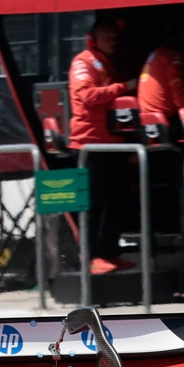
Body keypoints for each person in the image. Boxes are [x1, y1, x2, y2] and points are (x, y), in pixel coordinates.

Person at [68, 15, 139, 275]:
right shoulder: (83, 62)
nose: (113, 41)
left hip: (113, 144)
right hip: (89, 145)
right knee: (93, 204)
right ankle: (90, 256)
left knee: (117, 200)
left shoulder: (108, 63)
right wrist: (123, 87)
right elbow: (88, 96)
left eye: (115, 37)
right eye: (108, 37)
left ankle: (109, 253)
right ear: (94, 37)